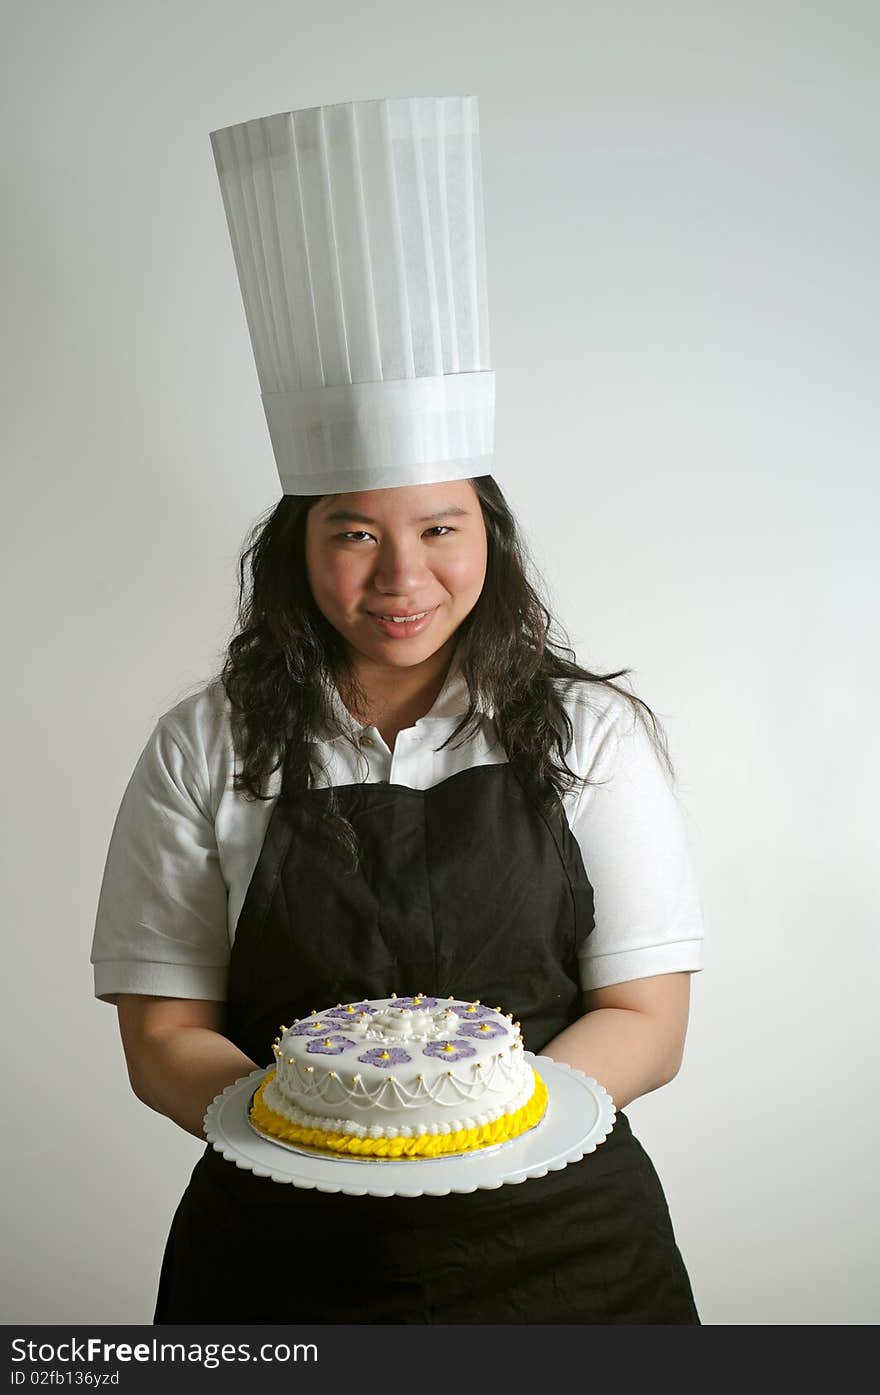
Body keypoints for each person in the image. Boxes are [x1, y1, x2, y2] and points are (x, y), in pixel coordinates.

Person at [90, 96, 705, 1323]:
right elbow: (163, 1033)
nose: (400, 578)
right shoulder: (203, 745)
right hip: (280, 1251)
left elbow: (647, 1021)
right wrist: (325, 1126)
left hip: (570, 1247)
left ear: (491, 537)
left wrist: (469, 1127)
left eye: (439, 529)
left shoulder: (591, 734)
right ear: (295, 548)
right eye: (353, 533)